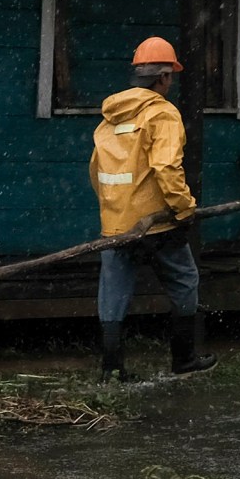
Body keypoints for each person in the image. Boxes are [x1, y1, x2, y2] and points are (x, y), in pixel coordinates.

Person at [90, 37, 216, 380]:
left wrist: (114, 211)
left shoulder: (110, 118)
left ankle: (111, 369)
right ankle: (184, 360)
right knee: (184, 281)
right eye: (170, 76)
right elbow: (166, 169)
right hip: (155, 224)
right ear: (162, 78)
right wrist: (185, 208)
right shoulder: (163, 114)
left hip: (115, 224)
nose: (171, 83)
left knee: (113, 295)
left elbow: (96, 171)